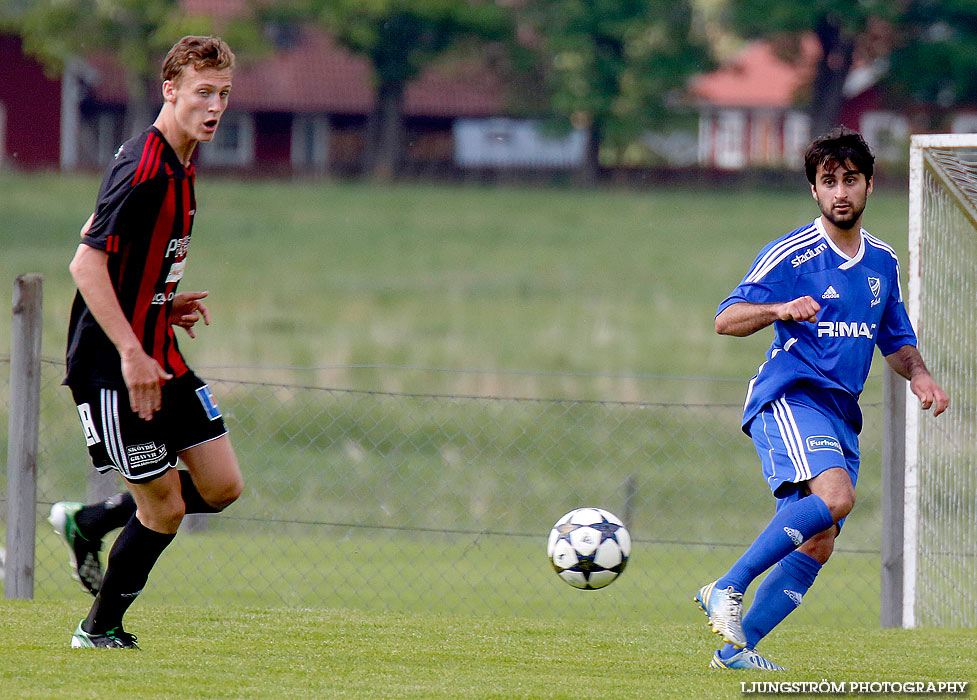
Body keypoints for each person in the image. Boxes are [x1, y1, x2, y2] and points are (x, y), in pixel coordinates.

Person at [694, 127, 948, 671]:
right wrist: (779, 309)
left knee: (820, 540)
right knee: (836, 498)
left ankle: (736, 654)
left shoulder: (882, 261)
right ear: (814, 190)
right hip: (789, 397)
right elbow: (725, 319)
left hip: (841, 416)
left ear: (869, 186)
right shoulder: (792, 253)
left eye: (849, 180)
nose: (840, 191)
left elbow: (896, 339)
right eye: (828, 181)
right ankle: (726, 587)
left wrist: (920, 375)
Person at [48, 35, 243, 650]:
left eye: (224, 95)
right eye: (203, 93)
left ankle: (93, 520)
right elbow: (85, 263)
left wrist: (162, 301)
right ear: (171, 90)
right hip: (114, 366)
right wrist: (132, 351)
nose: (214, 107)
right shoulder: (145, 166)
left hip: (159, 349)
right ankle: (97, 630)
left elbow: (130, 256)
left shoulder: (182, 162)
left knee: (221, 487)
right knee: (164, 510)